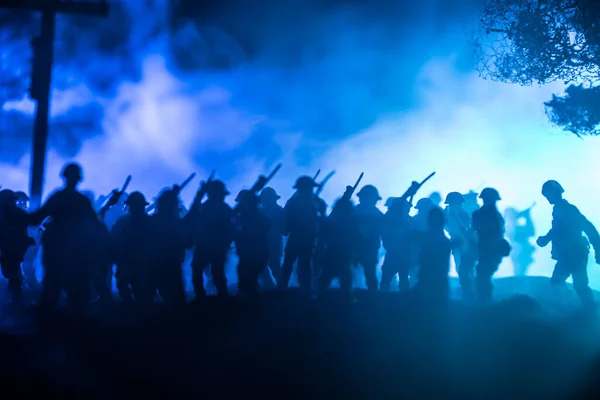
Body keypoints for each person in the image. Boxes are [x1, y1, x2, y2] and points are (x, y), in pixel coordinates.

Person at [536, 180, 600, 310]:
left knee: (561, 282)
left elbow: (589, 229)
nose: (547, 198)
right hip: (571, 253)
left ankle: (580, 309)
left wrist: (598, 250)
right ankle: (585, 309)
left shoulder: (569, 210)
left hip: (574, 253)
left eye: (548, 195)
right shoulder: (559, 210)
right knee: (576, 284)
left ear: (555, 193)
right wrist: (546, 239)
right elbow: (557, 229)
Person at [472, 188, 510, 302]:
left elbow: (478, 229)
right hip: (490, 249)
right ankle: (485, 301)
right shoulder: (495, 215)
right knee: (483, 276)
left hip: (489, 250)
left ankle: (485, 303)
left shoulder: (483, 214)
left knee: (483, 276)